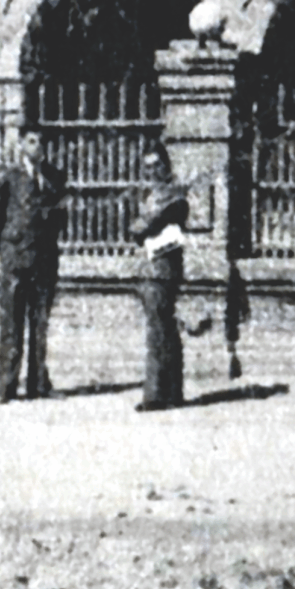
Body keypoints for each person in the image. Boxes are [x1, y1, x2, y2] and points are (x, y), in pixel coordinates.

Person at [0, 127, 67, 402]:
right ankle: (5, 386)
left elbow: (59, 216)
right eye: (31, 141)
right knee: (11, 323)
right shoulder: (9, 178)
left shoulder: (55, 176)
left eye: (42, 141)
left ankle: (38, 385)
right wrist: (8, 250)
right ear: (21, 144)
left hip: (44, 260)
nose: (37, 146)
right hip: (16, 259)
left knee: (39, 323)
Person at [130, 143, 189, 411]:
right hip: (149, 269)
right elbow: (133, 228)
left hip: (162, 270)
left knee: (159, 332)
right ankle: (173, 392)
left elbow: (148, 225)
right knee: (164, 330)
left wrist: (143, 226)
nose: (152, 171)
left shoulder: (173, 195)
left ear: (167, 166)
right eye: (148, 166)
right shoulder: (149, 195)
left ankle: (155, 394)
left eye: (157, 165)